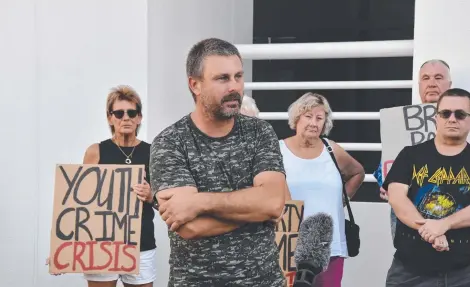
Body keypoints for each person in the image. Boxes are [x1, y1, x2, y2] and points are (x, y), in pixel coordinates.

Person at [150, 38, 287, 286]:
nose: (234, 86)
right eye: (222, 78)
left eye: (238, 76)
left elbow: (274, 203)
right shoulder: (170, 142)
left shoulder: (260, 132)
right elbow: (189, 227)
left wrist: (200, 201)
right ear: (195, 85)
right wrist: (257, 208)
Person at [384, 88, 470, 286]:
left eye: (461, 114)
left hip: (464, 272)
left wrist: (443, 224)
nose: (452, 119)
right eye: (445, 113)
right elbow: (396, 198)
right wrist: (431, 231)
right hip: (410, 272)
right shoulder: (410, 154)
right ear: (436, 118)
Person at [279, 92, 365, 287]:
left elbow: (357, 172)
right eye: (308, 116)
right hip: (290, 244)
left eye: (319, 118)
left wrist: (341, 201)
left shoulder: (331, 149)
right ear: (297, 118)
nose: (314, 123)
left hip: (330, 245)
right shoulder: (278, 150)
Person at [81, 86, 157, 287]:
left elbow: (165, 201)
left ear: (139, 117)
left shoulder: (152, 153)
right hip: (102, 244)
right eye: (119, 113)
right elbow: (81, 204)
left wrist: (150, 196)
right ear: (110, 118)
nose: (126, 118)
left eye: (132, 112)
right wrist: (65, 248)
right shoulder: (95, 152)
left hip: (141, 242)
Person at [377, 59, 452, 239]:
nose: (432, 83)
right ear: (419, 85)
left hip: (452, 221)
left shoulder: (463, 121)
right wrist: (383, 181)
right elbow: (386, 164)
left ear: (449, 84)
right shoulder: (399, 123)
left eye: (438, 77)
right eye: (426, 78)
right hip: (407, 227)